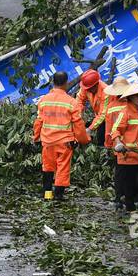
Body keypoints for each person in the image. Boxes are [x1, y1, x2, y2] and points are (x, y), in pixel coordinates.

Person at [32, 72, 89, 201]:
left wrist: (36, 137)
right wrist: (83, 140)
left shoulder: (44, 100)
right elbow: (78, 125)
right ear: (66, 83)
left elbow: (38, 121)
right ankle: (58, 195)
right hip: (65, 142)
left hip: (47, 141)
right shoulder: (71, 102)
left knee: (47, 167)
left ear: (53, 82)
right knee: (62, 168)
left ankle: (47, 194)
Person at [105, 79, 138, 212]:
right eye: (136, 96)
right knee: (128, 183)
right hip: (129, 155)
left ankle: (127, 198)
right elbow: (115, 130)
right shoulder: (125, 112)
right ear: (130, 97)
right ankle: (129, 210)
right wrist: (118, 143)